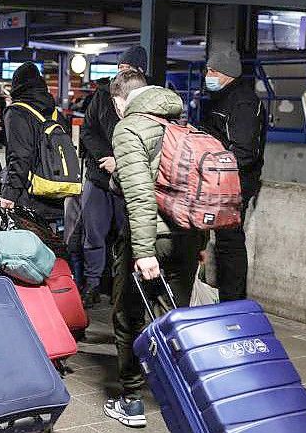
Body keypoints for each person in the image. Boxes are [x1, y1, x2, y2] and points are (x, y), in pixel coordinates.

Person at [105, 70, 205, 427]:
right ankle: (186, 397)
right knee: (171, 316)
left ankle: (132, 402)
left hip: (152, 240)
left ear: (120, 100)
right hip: (189, 236)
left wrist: (143, 251)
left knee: (128, 316)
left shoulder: (130, 127)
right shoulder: (183, 124)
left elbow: (140, 195)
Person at [78, 46, 147, 307]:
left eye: (128, 70)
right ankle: (93, 285)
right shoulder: (102, 96)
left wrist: (120, 163)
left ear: (140, 72)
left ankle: (123, 288)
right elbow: (87, 131)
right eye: (120, 69)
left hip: (128, 180)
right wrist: (105, 159)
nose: (122, 74)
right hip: (99, 177)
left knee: (126, 236)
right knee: (93, 234)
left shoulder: (147, 101)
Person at [201, 48, 267, 302]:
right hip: (219, 179)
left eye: (213, 71)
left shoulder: (243, 103)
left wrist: (214, 168)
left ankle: (233, 300)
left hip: (235, 182)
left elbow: (244, 152)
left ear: (228, 74)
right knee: (221, 240)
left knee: (230, 241)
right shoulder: (220, 98)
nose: (208, 75)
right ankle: (225, 296)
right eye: (207, 70)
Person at [0, 62, 65, 220]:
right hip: (57, 193)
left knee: (25, 243)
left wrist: (10, 194)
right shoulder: (55, 113)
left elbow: (20, 155)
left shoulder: (17, 112)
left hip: (28, 196)